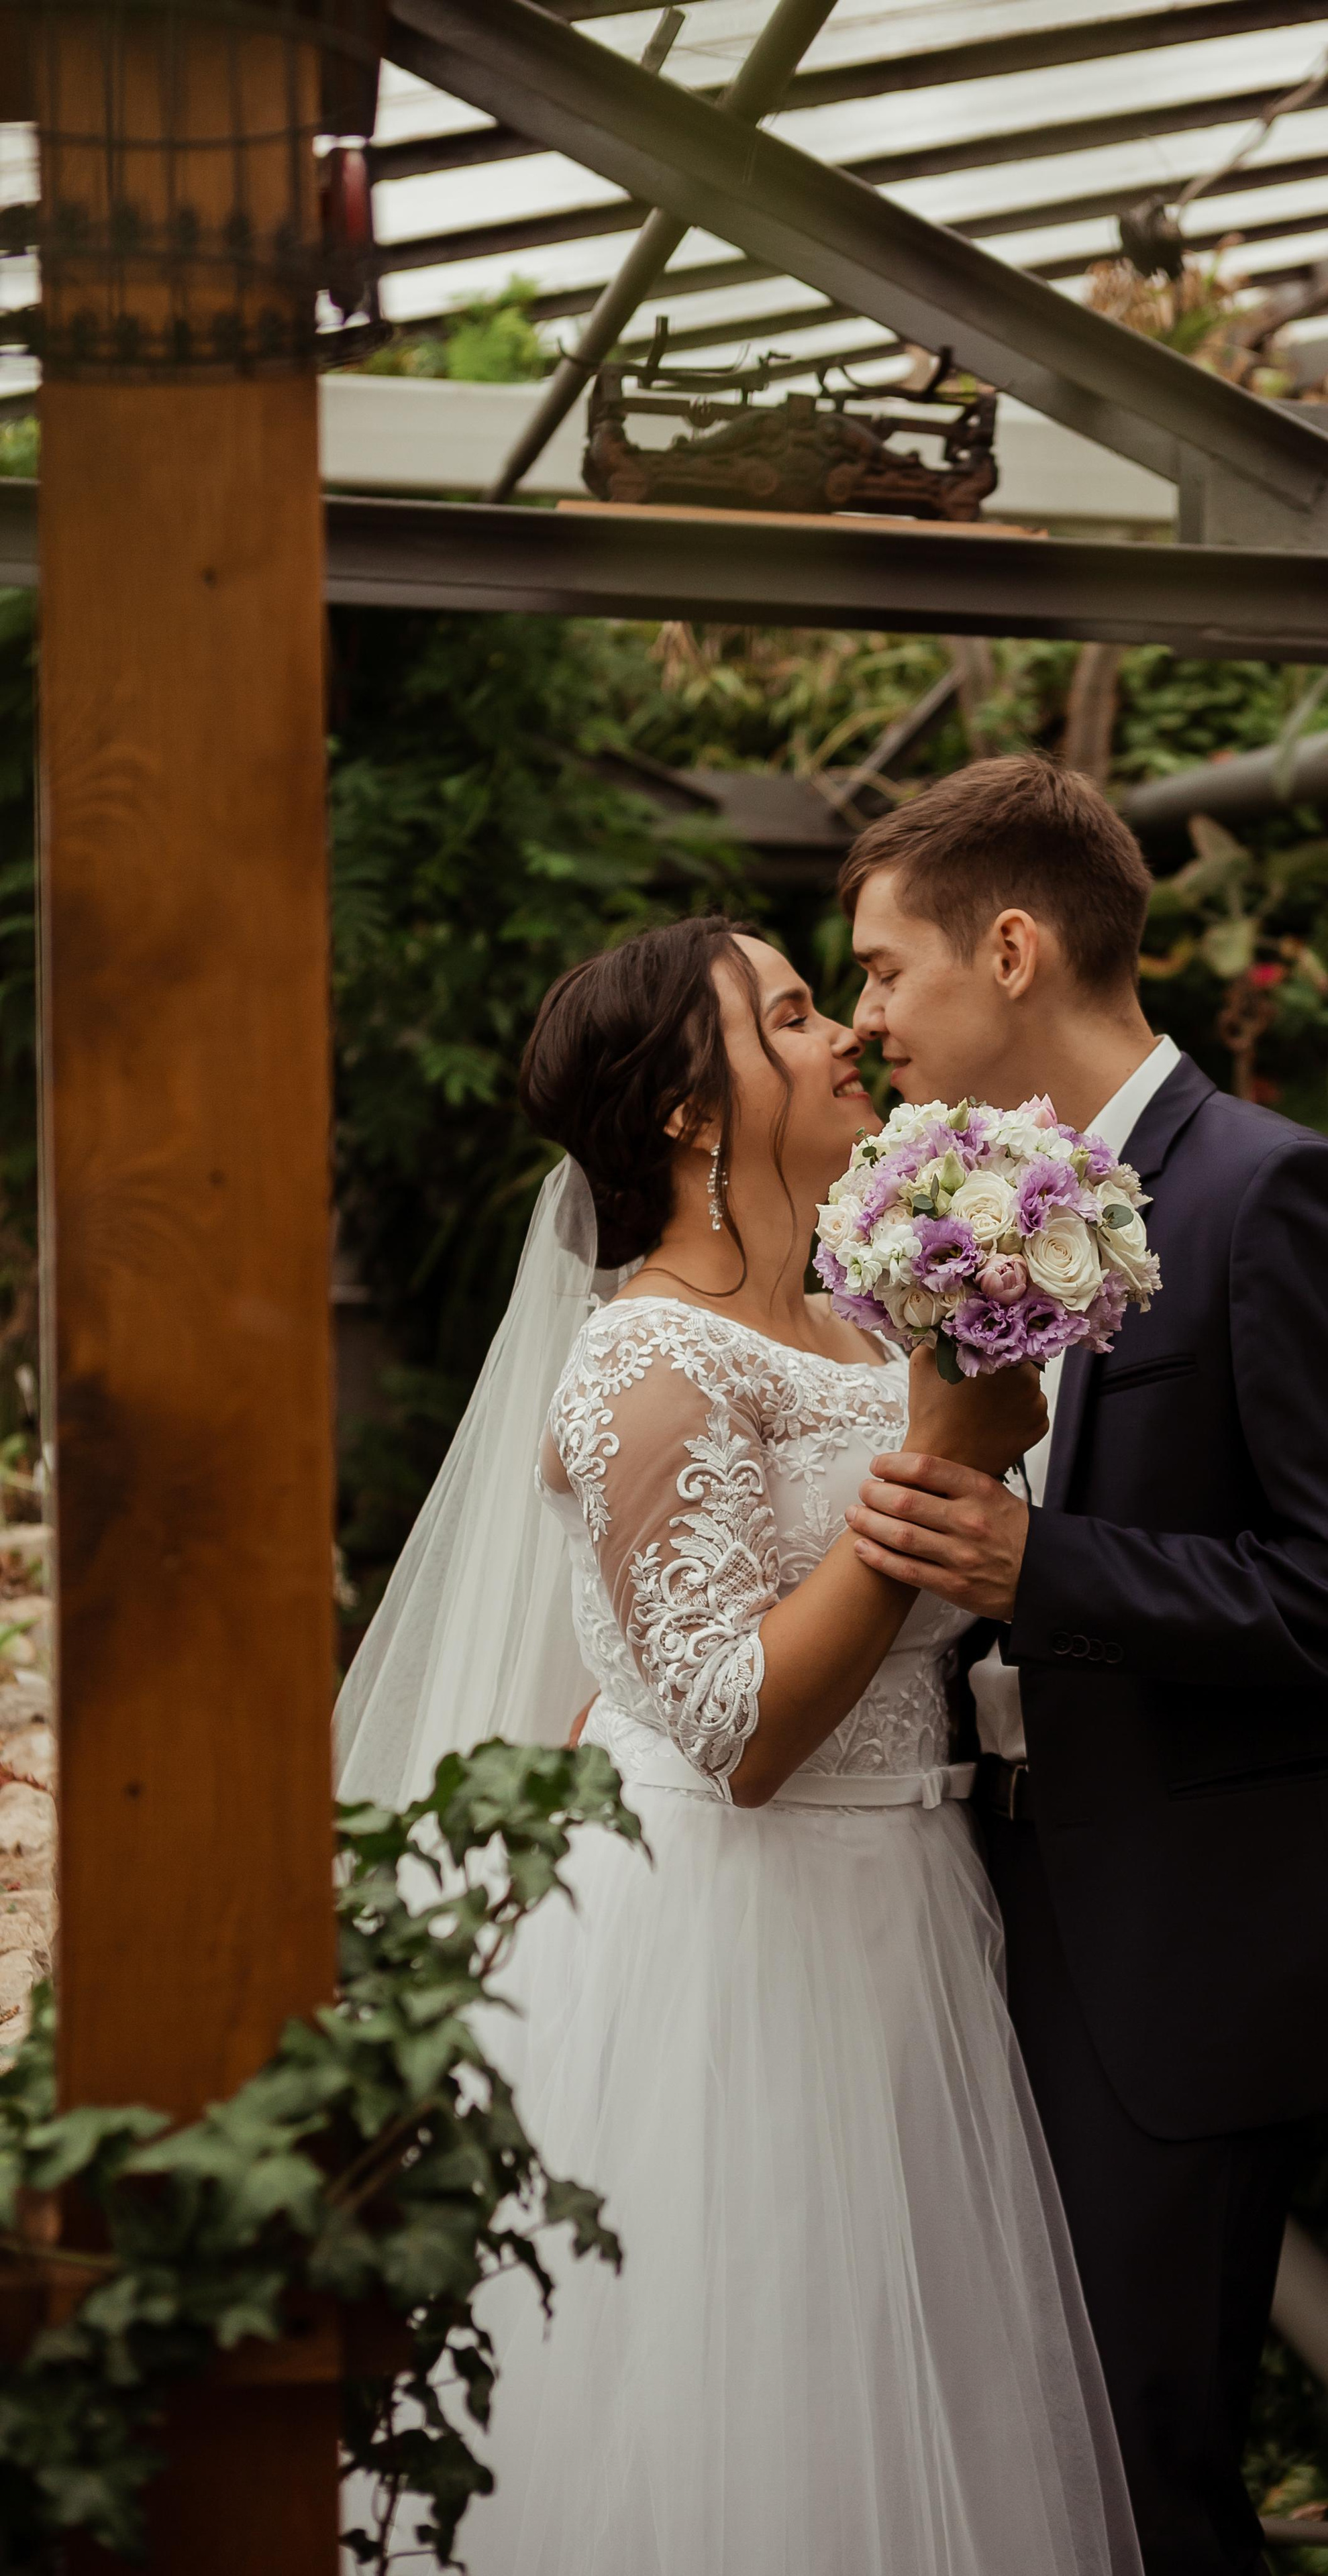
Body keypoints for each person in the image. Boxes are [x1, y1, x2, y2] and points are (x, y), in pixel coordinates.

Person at [336, 913, 1145, 2576]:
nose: (840, 1034)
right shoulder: (643, 1354)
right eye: (786, 1017)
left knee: (917, 2410)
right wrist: (939, 1455)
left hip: (909, 1908)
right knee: (739, 2408)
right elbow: (735, 1727)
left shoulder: (861, 1315)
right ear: (691, 1113)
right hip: (728, 1947)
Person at [841, 755, 1328, 2576]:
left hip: (1200, 1934)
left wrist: (1055, 1564)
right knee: (1017, 2446)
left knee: (1140, 2467)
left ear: (1018, 949)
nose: (871, 1017)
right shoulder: (957, 1214)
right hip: (999, 1903)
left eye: (888, 969)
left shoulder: (1274, 1198)